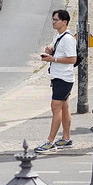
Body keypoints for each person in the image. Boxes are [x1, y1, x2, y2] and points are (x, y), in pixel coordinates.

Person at [35, 10, 77, 153]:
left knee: (56, 108)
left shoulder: (68, 39)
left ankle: (50, 141)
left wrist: (53, 59)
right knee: (64, 108)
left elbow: (73, 59)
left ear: (64, 22)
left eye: (56, 20)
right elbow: (59, 51)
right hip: (58, 76)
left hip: (63, 78)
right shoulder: (59, 36)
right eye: (53, 19)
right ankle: (66, 138)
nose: (53, 22)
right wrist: (51, 50)